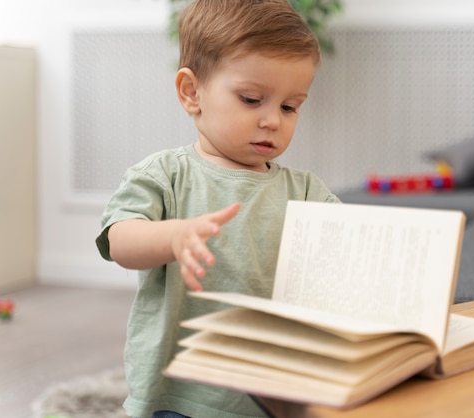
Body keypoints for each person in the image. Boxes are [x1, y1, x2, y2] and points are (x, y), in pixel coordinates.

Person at [95, 0, 340, 416]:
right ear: (192, 92)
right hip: (180, 395)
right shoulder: (165, 174)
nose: (273, 121)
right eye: (251, 99)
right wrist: (172, 236)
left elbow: (348, 238)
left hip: (272, 393)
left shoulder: (304, 190)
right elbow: (119, 239)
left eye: (289, 106)